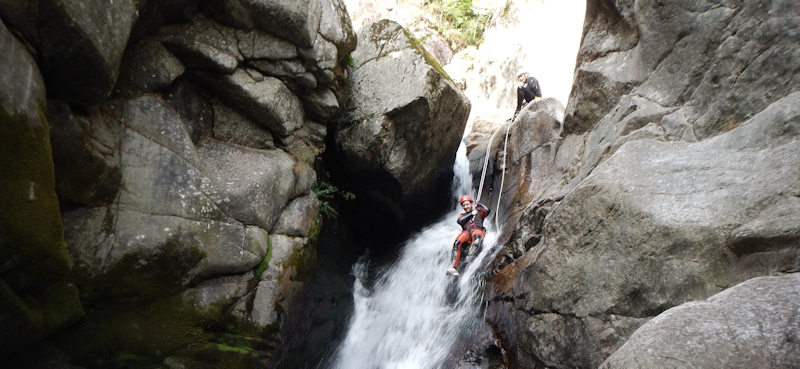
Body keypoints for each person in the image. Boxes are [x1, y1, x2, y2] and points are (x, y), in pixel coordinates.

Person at [447, 195, 491, 276]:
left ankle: (470, 254)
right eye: (463, 205)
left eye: (467, 204)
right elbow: (459, 221)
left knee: (477, 238)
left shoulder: (479, 213)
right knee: (457, 242)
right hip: (467, 232)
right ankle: (453, 267)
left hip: (477, 229)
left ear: (471, 204)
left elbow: (487, 210)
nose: (465, 206)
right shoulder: (462, 215)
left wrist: (478, 205)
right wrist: (471, 213)